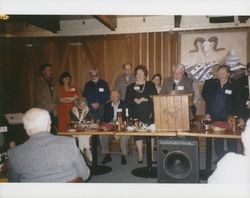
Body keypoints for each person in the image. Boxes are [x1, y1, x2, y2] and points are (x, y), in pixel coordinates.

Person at [7, 108, 90, 182]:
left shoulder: (14, 154)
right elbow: (85, 174)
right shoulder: (69, 143)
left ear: (25, 127)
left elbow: (14, 184)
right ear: (49, 124)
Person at [202, 65, 245, 161]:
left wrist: (241, 117)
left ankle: (232, 160)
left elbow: (239, 102)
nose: (220, 75)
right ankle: (220, 159)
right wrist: (208, 113)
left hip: (229, 118)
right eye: (219, 73)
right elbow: (208, 100)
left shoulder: (235, 85)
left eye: (223, 73)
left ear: (228, 74)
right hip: (216, 117)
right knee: (218, 140)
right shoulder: (211, 84)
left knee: (231, 140)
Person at [125, 65, 158, 163]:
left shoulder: (150, 85)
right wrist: (134, 99)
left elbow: (155, 97)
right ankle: (140, 154)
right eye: (137, 73)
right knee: (138, 134)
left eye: (141, 73)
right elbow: (127, 100)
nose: (139, 75)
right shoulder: (130, 87)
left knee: (150, 134)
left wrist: (146, 99)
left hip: (148, 113)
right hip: (136, 114)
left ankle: (151, 154)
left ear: (145, 75)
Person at [208, 119, 250, 184]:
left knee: (231, 142)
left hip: (230, 117)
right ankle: (219, 158)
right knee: (219, 142)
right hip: (219, 118)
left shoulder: (230, 161)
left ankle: (221, 160)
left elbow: (210, 183)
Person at [99, 90, 129, 165]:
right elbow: (104, 118)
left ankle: (123, 155)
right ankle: (107, 155)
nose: (113, 97)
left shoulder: (125, 104)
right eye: (112, 95)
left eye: (115, 95)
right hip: (111, 127)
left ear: (119, 96)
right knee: (102, 135)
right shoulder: (107, 105)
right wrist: (109, 123)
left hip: (122, 127)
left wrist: (121, 124)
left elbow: (128, 117)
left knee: (124, 135)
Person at [34, 63, 58, 135]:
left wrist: (56, 104)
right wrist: (48, 105)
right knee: (45, 131)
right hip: (43, 110)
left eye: (51, 70)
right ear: (43, 72)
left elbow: (56, 95)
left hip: (53, 111)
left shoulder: (53, 82)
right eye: (48, 70)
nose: (51, 71)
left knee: (53, 129)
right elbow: (38, 96)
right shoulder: (39, 82)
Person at [69, 97, 92, 162]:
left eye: (84, 105)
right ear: (78, 104)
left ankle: (81, 154)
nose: (83, 107)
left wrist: (86, 124)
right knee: (82, 134)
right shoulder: (72, 111)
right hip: (76, 131)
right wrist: (78, 125)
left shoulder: (88, 110)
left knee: (82, 134)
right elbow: (72, 122)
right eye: (81, 105)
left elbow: (91, 120)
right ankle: (87, 149)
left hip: (87, 130)